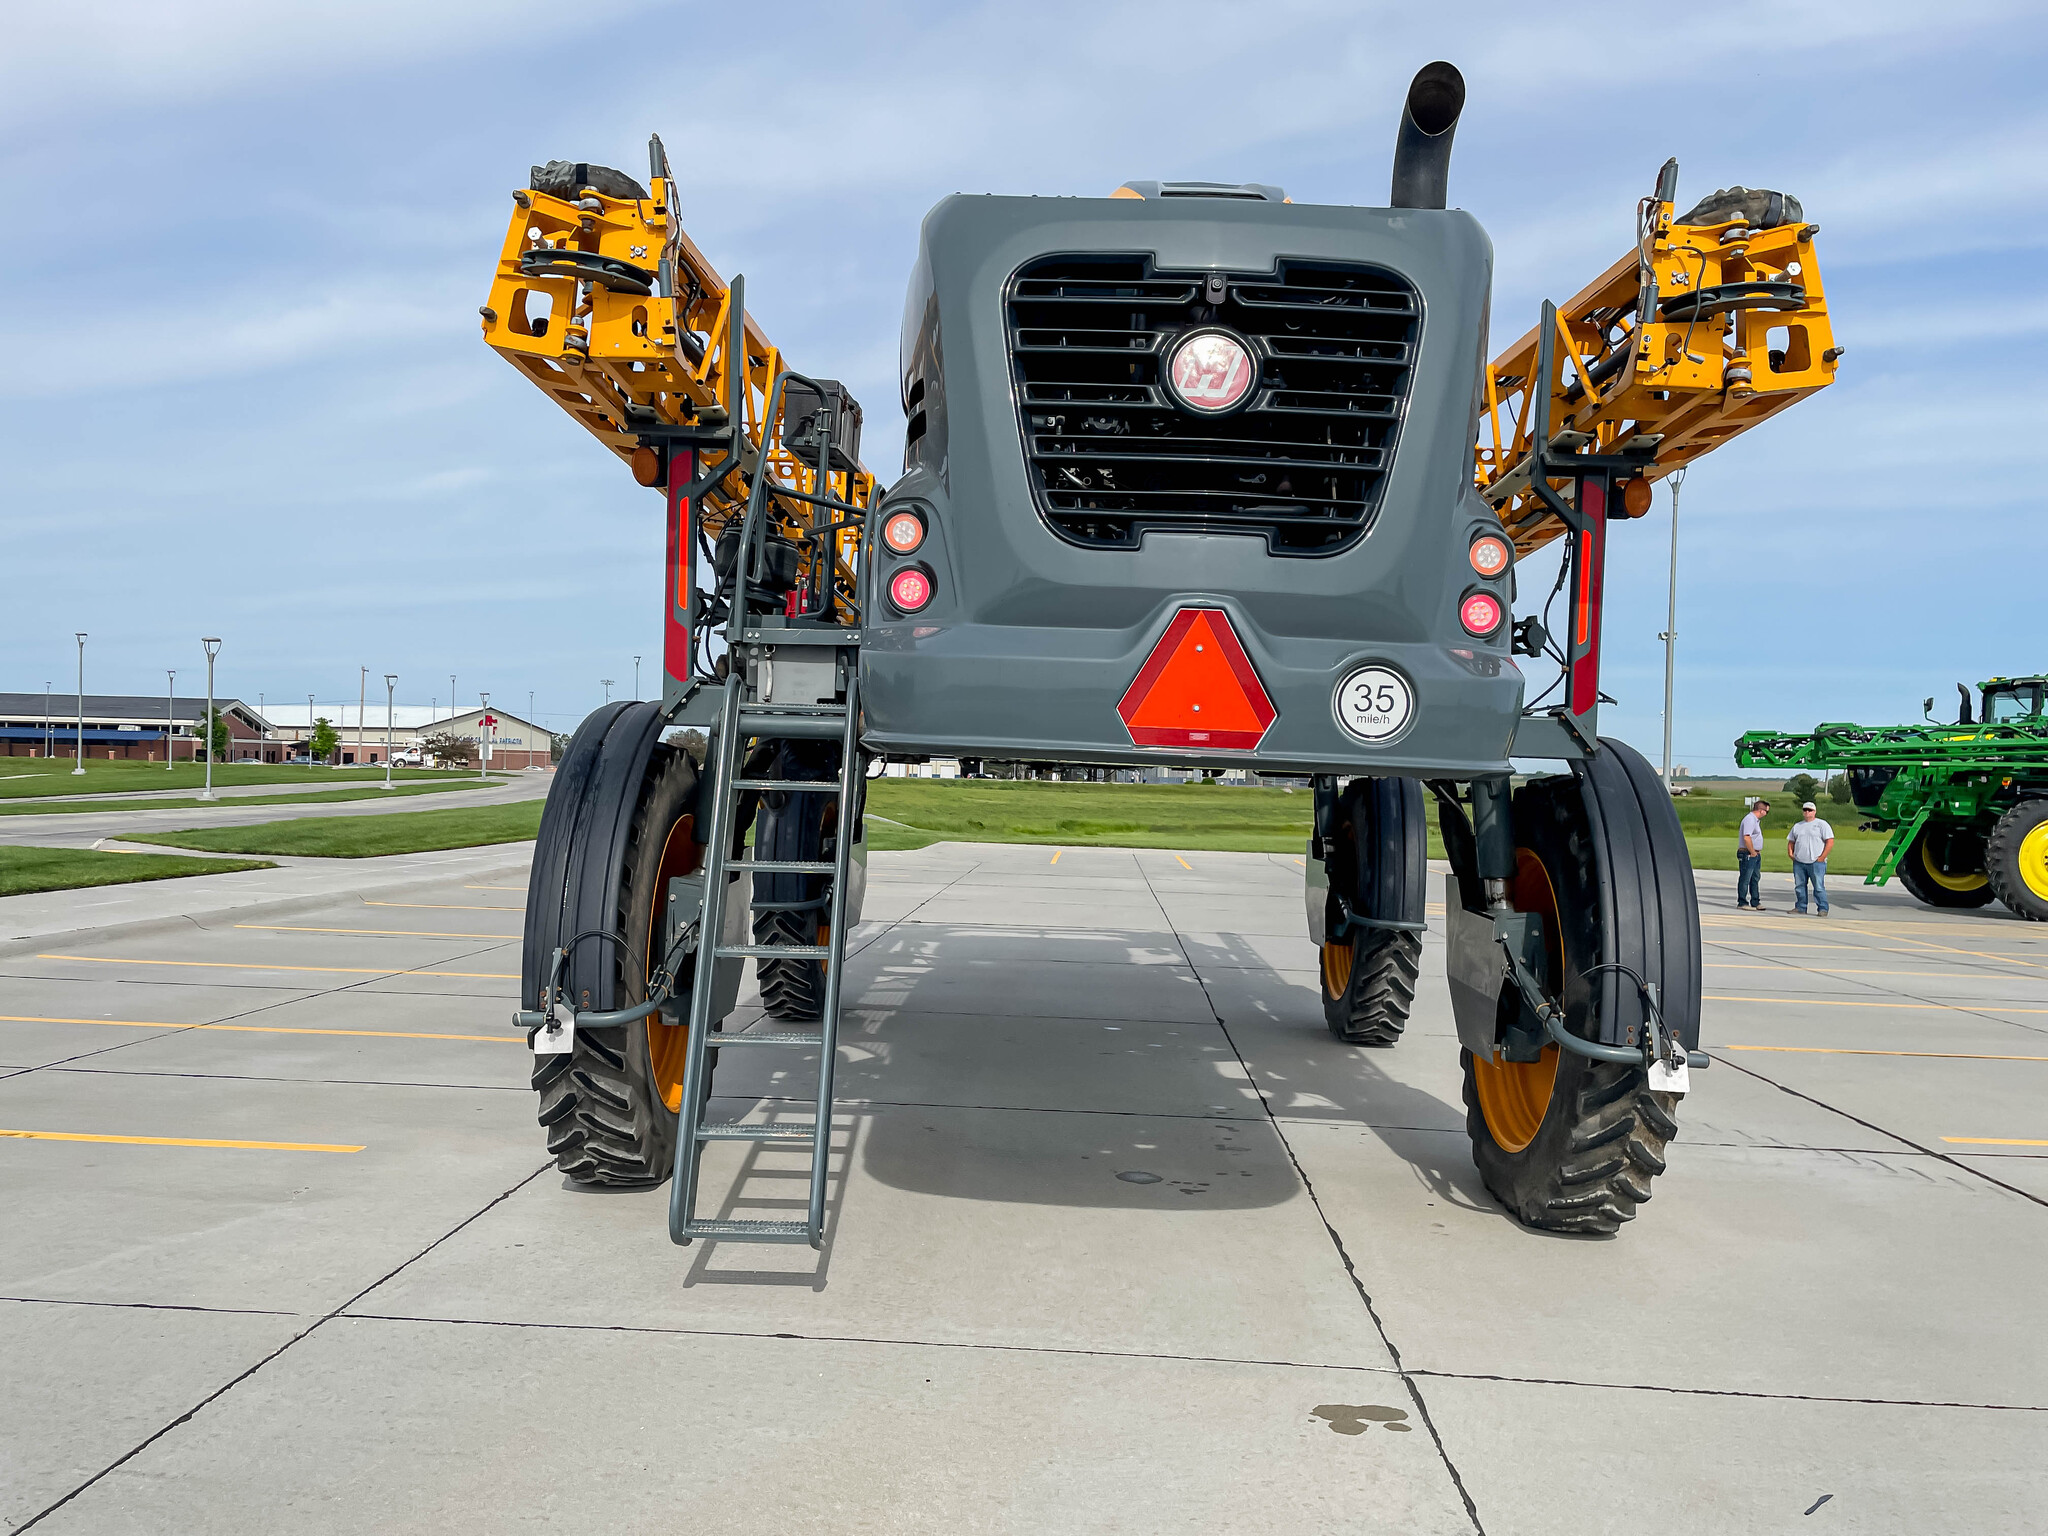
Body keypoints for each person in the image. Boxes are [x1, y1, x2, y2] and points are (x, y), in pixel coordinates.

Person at [1787, 800, 1835, 916]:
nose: (1807, 812)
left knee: (1818, 886)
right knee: (1799, 886)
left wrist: (1822, 857)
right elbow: (1791, 841)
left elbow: (1830, 841)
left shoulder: (1822, 824)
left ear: (1814, 812)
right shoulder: (1798, 826)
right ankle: (1801, 907)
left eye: (1810, 810)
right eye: (1805, 810)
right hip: (1799, 861)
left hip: (1816, 861)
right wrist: (1790, 853)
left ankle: (1822, 908)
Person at [1737, 797, 1770, 909]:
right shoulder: (1750, 819)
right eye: (1766, 811)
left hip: (1755, 853)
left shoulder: (1755, 821)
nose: (1766, 814)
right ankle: (1742, 902)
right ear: (1761, 810)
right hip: (1748, 853)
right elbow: (1747, 837)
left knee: (1755, 878)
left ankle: (1755, 901)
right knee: (1745, 878)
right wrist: (1752, 852)